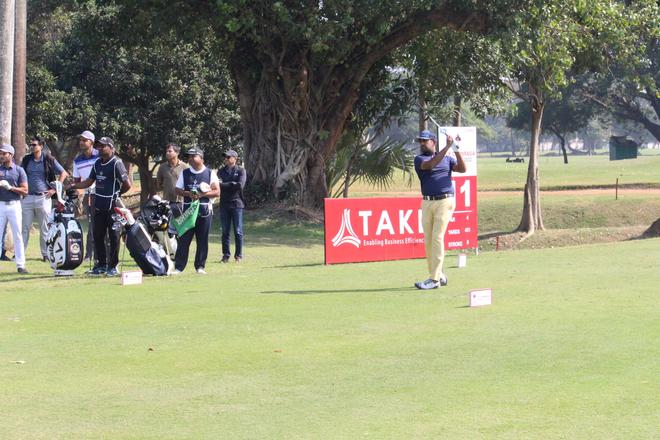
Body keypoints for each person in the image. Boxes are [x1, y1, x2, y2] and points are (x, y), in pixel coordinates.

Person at [68, 137, 131, 276]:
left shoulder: (116, 163)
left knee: (114, 236)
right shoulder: (97, 163)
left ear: (111, 147)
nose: (100, 148)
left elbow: (128, 184)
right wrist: (73, 185)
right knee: (98, 235)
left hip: (113, 205)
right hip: (98, 204)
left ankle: (113, 266)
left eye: (103, 146)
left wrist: (117, 194)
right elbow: (89, 182)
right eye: (99, 146)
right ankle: (101, 265)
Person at [413, 130, 466, 290]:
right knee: (428, 241)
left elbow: (462, 169)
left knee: (437, 238)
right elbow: (431, 165)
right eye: (420, 141)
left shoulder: (448, 159)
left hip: (445, 201)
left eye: (425, 140)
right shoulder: (419, 159)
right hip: (427, 202)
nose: (422, 143)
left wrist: (456, 149)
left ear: (433, 142)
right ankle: (438, 275)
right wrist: (447, 146)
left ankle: (434, 280)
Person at [21, 136, 69, 262]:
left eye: (35, 145)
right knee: (24, 227)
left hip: (43, 197)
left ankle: (46, 254)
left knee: (44, 228)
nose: (32, 147)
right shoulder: (26, 159)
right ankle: (21, 254)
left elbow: (64, 173)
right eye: (31, 145)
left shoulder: (48, 159)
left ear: (41, 146)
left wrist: (54, 189)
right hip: (27, 198)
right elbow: (21, 175)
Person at [173, 147, 219, 274]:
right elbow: (177, 190)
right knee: (183, 239)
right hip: (188, 212)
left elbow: (217, 192)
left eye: (194, 156)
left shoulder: (210, 173)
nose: (191, 159)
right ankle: (179, 267)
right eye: (190, 156)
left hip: (204, 212)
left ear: (201, 158)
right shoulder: (185, 173)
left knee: (202, 240)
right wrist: (189, 193)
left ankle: (200, 266)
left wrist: (201, 195)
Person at [0, 144, 29, 274]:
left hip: (14, 205)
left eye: (4, 154)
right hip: (1, 205)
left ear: (11, 155)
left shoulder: (19, 170)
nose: (2, 156)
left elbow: (25, 191)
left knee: (18, 235)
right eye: (1, 153)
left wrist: (10, 188)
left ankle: (20, 265)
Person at [72, 130, 100, 262]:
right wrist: (78, 195)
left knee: (104, 225)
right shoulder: (77, 160)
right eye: (81, 140)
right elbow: (77, 182)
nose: (82, 142)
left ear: (92, 142)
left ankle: (102, 254)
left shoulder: (100, 155)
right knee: (92, 224)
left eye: (85, 140)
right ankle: (89, 255)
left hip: (104, 194)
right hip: (89, 195)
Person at [217, 149, 246, 263]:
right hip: (224, 204)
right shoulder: (221, 171)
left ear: (235, 158)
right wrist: (231, 184)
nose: (226, 159)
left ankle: (238, 256)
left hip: (237, 204)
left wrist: (226, 184)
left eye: (228, 157)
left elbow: (240, 185)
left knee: (238, 231)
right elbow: (218, 185)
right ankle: (226, 255)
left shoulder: (241, 171)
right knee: (225, 231)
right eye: (225, 157)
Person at [156, 143, 187, 215]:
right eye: (166, 151)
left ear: (177, 153)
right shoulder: (162, 167)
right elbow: (159, 184)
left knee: (180, 224)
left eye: (170, 151)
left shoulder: (185, 167)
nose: (167, 153)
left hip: (181, 202)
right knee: (168, 225)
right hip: (167, 202)